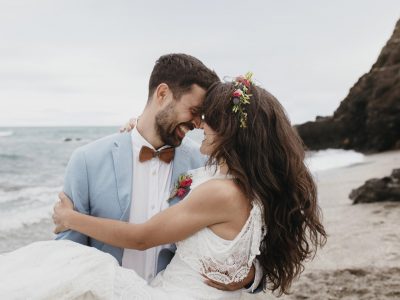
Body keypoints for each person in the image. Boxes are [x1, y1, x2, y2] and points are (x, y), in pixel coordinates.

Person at [0, 73, 326, 299]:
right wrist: (134, 134)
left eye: (205, 116)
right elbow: (67, 249)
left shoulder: (204, 172)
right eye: (196, 113)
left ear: (228, 129)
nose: (199, 124)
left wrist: (250, 277)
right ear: (162, 95)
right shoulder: (90, 159)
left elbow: (143, 238)